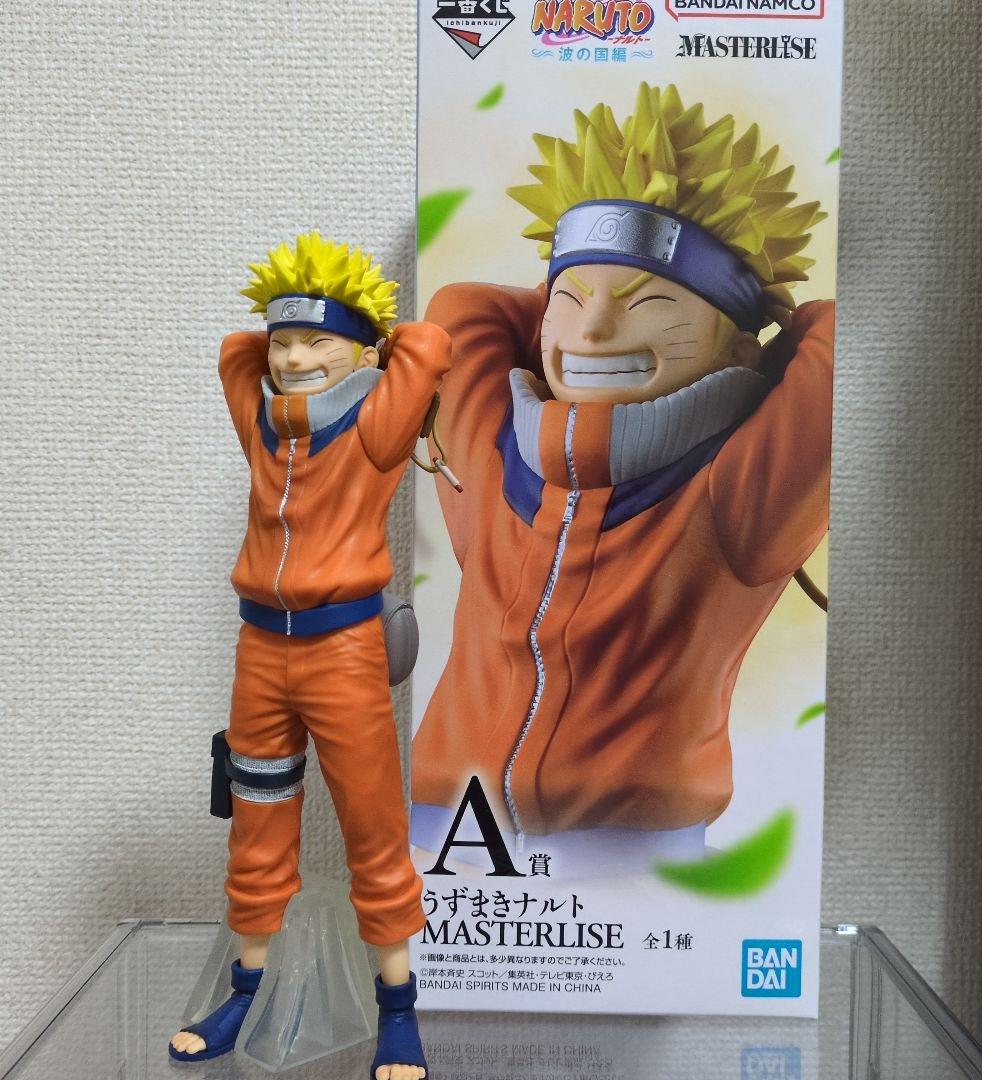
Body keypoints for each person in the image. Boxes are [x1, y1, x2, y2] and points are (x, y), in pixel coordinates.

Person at [411, 85, 834, 871]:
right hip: (443, 825)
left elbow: (839, 341)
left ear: (739, 345)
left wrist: (762, 333)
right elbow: (460, 308)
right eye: (570, 301)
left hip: (631, 854)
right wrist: (595, 261)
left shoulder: (743, 491)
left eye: (650, 304)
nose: (596, 328)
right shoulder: (495, 451)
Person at [170, 232, 449, 1080]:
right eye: (283, 341)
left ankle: (397, 1008)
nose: (291, 359)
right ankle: (245, 992)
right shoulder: (261, 423)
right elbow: (235, 350)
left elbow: (429, 344)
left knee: (373, 825)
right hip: (260, 651)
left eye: (316, 341)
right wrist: (299, 319)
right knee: (257, 821)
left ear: (363, 353)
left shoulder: (376, 427)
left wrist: (377, 344)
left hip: (345, 650)